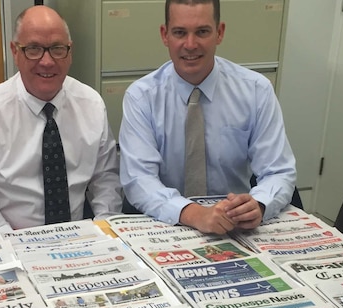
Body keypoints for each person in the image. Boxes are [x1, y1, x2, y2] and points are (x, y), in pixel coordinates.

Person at [119, 0, 296, 234]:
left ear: (219, 33)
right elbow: (139, 180)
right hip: (168, 224)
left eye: (202, 32)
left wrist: (260, 204)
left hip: (236, 225)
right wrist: (193, 214)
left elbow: (279, 170)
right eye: (180, 32)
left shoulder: (256, 90)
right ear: (165, 35)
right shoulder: (141, 98)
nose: (190, 45)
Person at [0, 6, 122, 232]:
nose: (47, 62)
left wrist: (105, 230)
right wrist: (9, 241)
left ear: (70, 52)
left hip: (81, 239)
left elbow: (105, 180)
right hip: (13, 238)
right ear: (15, 51)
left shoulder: (92, 105)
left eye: (57, 49)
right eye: (33, 49)